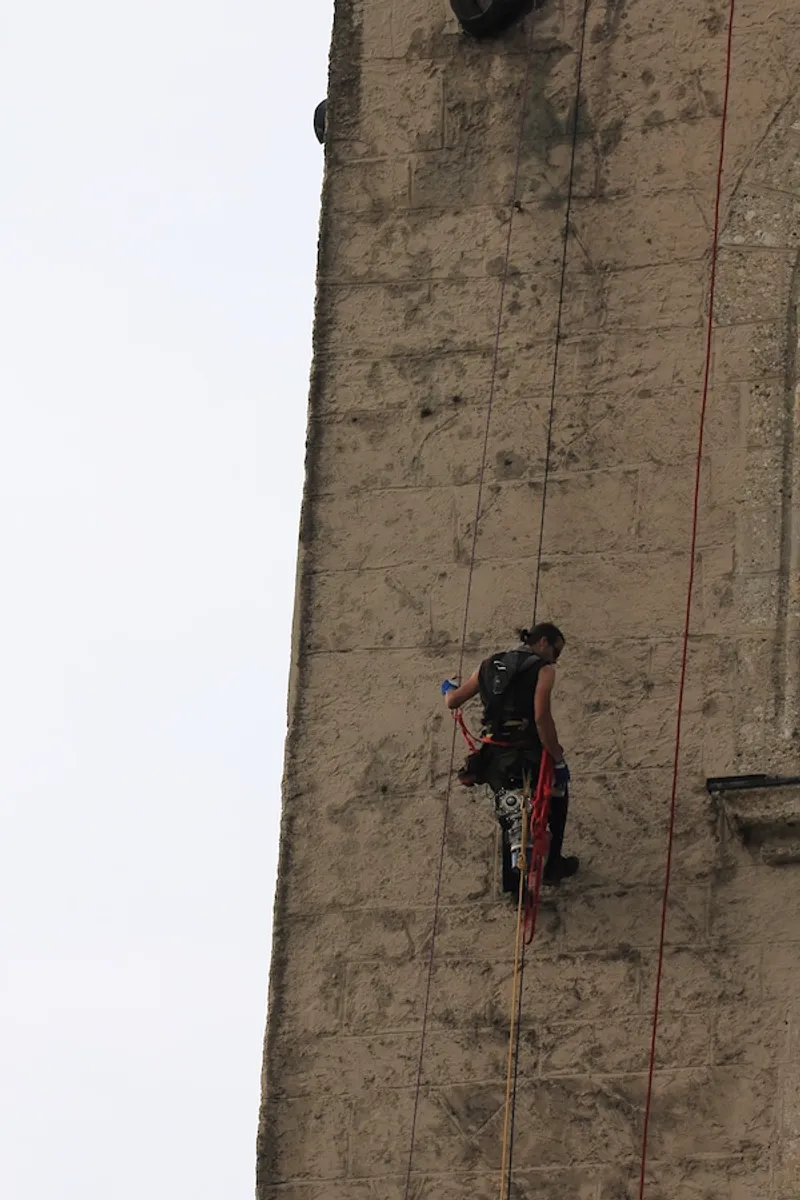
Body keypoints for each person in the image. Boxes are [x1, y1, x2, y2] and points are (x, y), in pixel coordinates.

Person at [442, 623, 579, 888]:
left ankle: (512, 883)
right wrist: (558, 758)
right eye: (555, 651)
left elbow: (453, 701)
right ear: (543, 643)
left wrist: (447, 686)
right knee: (558, 794)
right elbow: (541, 717)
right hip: (527, 750)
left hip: (495, 754)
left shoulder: (487, 665)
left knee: (510, 810)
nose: (555, 659)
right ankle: (553, 866)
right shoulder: (544, 670)